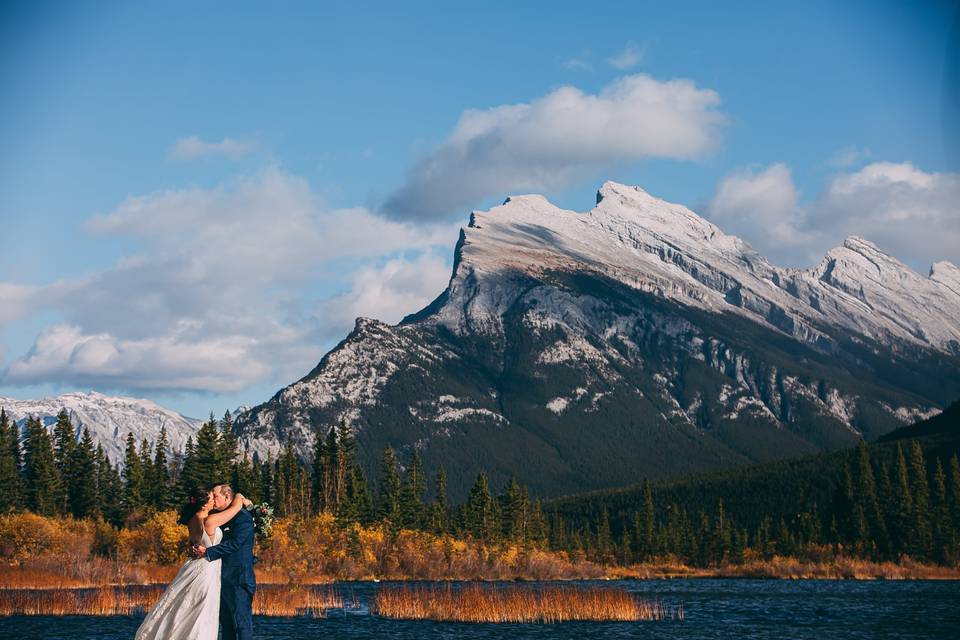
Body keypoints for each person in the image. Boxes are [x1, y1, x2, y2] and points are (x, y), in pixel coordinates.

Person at [135, 486, 251, 640]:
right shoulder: (209, 521)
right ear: (204, 504)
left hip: (194, 566)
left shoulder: (193, 519)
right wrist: (240, 496)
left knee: (187, 608)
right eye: (212, 498)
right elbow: (235, 508)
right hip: (206, 570)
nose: (214, 502)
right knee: (202, 612)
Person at [193, 483, 257, 640]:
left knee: (241, 624)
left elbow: (235, 544)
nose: (212, 499)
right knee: (226, 624)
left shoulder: (243, 518)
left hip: (238, 578)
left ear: (227, 497)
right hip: (218, 579)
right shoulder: (218, 516)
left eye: (215, 496)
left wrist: (209, 552)